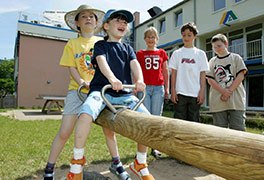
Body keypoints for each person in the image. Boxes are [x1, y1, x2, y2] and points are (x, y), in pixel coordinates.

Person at [67, 9, 155, 180]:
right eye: (118, 20)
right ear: (106, 26)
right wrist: (112, 78)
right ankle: (77, 162)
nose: (122, 24)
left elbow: (135, 65)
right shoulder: (101, 45)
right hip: (102, 91)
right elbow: (102, 61)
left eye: (125, 22)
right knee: (85, 114)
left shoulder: (128, 48)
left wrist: (140, 79)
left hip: (124, 93)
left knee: (148, 120)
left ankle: (140, 162)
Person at [43, 5, 105, 180]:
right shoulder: (72, 44)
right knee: (65, 132)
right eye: (83, 16)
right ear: (77, 23)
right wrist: (81, 83)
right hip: (76, 91)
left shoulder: (101, 43)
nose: (88, 18)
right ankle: (49, 168)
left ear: (96, 22)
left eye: (91, 16)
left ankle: (117, 163)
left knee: (110, 130)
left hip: (98, 92)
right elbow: (71, 67)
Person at [136, 27, 169, 158]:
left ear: (157, 39)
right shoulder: (140, 53)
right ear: (145, 39)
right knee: (144, 118)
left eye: (153, 37)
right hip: (144, 88)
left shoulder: (162, 53)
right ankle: (141, 149)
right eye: (148, 37)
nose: (151, 39)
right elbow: (135, 70)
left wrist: (167, 88)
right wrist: (135, 86)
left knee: (156, 117)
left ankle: (155, 148)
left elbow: (165, 71)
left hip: (157, 87)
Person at [169, 22, 209, 122]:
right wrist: (173, 90)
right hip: (180, 93)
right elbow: (173, 73)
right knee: (179, 121)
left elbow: (202, 74)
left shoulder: (200, 54)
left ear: (194, 36)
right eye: (184, 35)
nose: (186, 38)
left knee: (194, 121)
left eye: (189, 35)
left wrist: (202, 92)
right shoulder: (177, 53)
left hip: (195, 93)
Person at [206, 33, 247, 131]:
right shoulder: (212, 61)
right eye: (214, 47)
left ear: (226, 44)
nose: (217, 49)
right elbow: (210, 79)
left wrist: (228, 91)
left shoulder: (236, 58)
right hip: (218, 102)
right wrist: (223, 92)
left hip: (236, 101)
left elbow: (240, 75)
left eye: (219, 46)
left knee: (238, 130)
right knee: (219, 132)